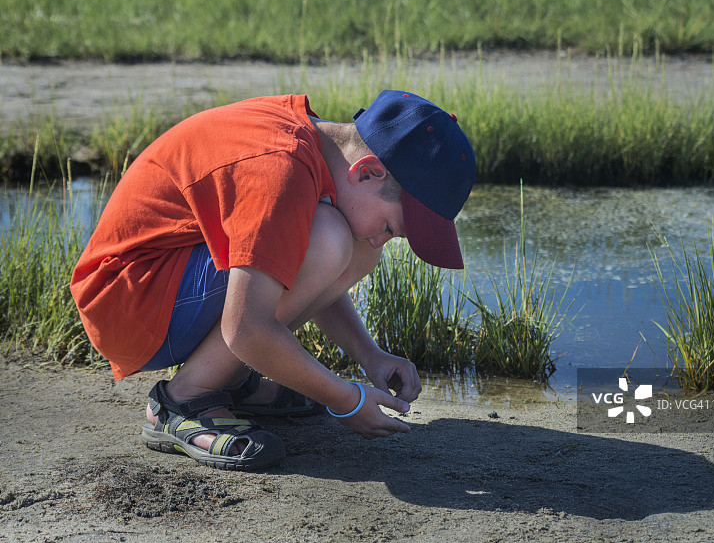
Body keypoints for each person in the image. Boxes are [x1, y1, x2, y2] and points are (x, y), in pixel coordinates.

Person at [70, 90, 476, 470]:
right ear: (367, 172)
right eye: (390, 228)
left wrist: (370, 355)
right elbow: (247, 327)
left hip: (159, 288)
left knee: (349, 243)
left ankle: (228, 379)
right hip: (126, 302)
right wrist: (345, 399)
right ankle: (184, 400)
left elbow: (296, 271)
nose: (381, 240)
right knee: (331, 238)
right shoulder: (282, 167)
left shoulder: (317, 150)